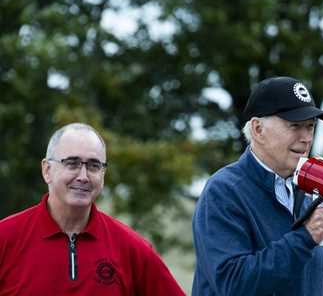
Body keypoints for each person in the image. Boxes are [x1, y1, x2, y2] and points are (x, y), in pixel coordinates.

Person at [192, 76, 323, 295]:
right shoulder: (223, 191)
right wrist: (305, 237)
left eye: (310, 127)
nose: (306, 138)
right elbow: (232, 284)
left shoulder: (311, 194)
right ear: (258, 129)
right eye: (295, 126)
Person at [0, 123, 185, 295]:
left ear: (102, 174)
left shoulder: (131, 248)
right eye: (72, 163)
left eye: (94, 166)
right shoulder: (5, 238)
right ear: (47, 170)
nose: (83, 176)